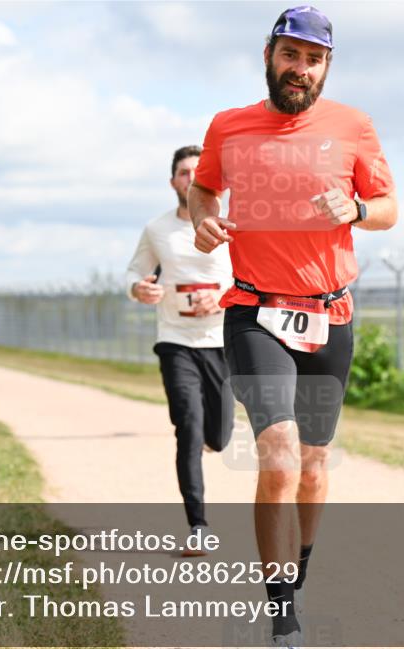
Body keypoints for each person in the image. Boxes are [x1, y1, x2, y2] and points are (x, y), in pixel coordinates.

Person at [188, 6, 397, 649]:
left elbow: (390, 209)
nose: (300, 69)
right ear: (269, 55)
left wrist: (359, 209)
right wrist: (203, 219)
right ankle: (283, 619)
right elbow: (202, 190)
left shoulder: (353, 127)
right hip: (255, 312)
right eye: (290, 55)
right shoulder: (229, 125)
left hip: (329, 315)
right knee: (276, 454)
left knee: (312, 467)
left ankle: (297, 571)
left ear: (326, 66)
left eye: (313, 59)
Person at [125, 145, 235, 555]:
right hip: (175, 340)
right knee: (188, 426)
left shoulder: (230, 225)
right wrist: (139, 288)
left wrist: (221, 298)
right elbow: (136, 271)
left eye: (198, 171)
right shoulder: (157, 229)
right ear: (173, 181)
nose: (191, 178)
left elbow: (248, 276)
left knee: (220, 437)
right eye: (184, 172)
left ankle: (213, 437)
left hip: (220, 341)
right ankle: (198, 526)